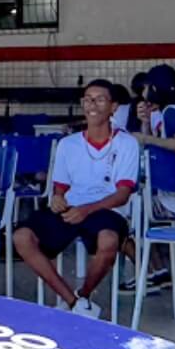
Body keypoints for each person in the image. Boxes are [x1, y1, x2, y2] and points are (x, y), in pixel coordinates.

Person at [13, 80, 139, 317]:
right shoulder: (67, 144)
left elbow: (122, 194)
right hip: (72, 207)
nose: (92, 105)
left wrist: (87, 210)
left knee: (109, 241)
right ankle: (72, 301)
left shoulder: (126, 144)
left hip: (107, 208)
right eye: (88, 99)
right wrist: (57, 198)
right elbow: (60, 187)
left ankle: (84, 294)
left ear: (113, 107)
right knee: (22, 237)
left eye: (100, 99)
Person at [122, 65, 175, 294]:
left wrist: (143, 136)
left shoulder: (172, 112)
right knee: (140, 208)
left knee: (126, 210)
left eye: (148, 87)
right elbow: (155, 146)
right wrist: (145, 123)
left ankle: (149, 273)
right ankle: (159, 272)